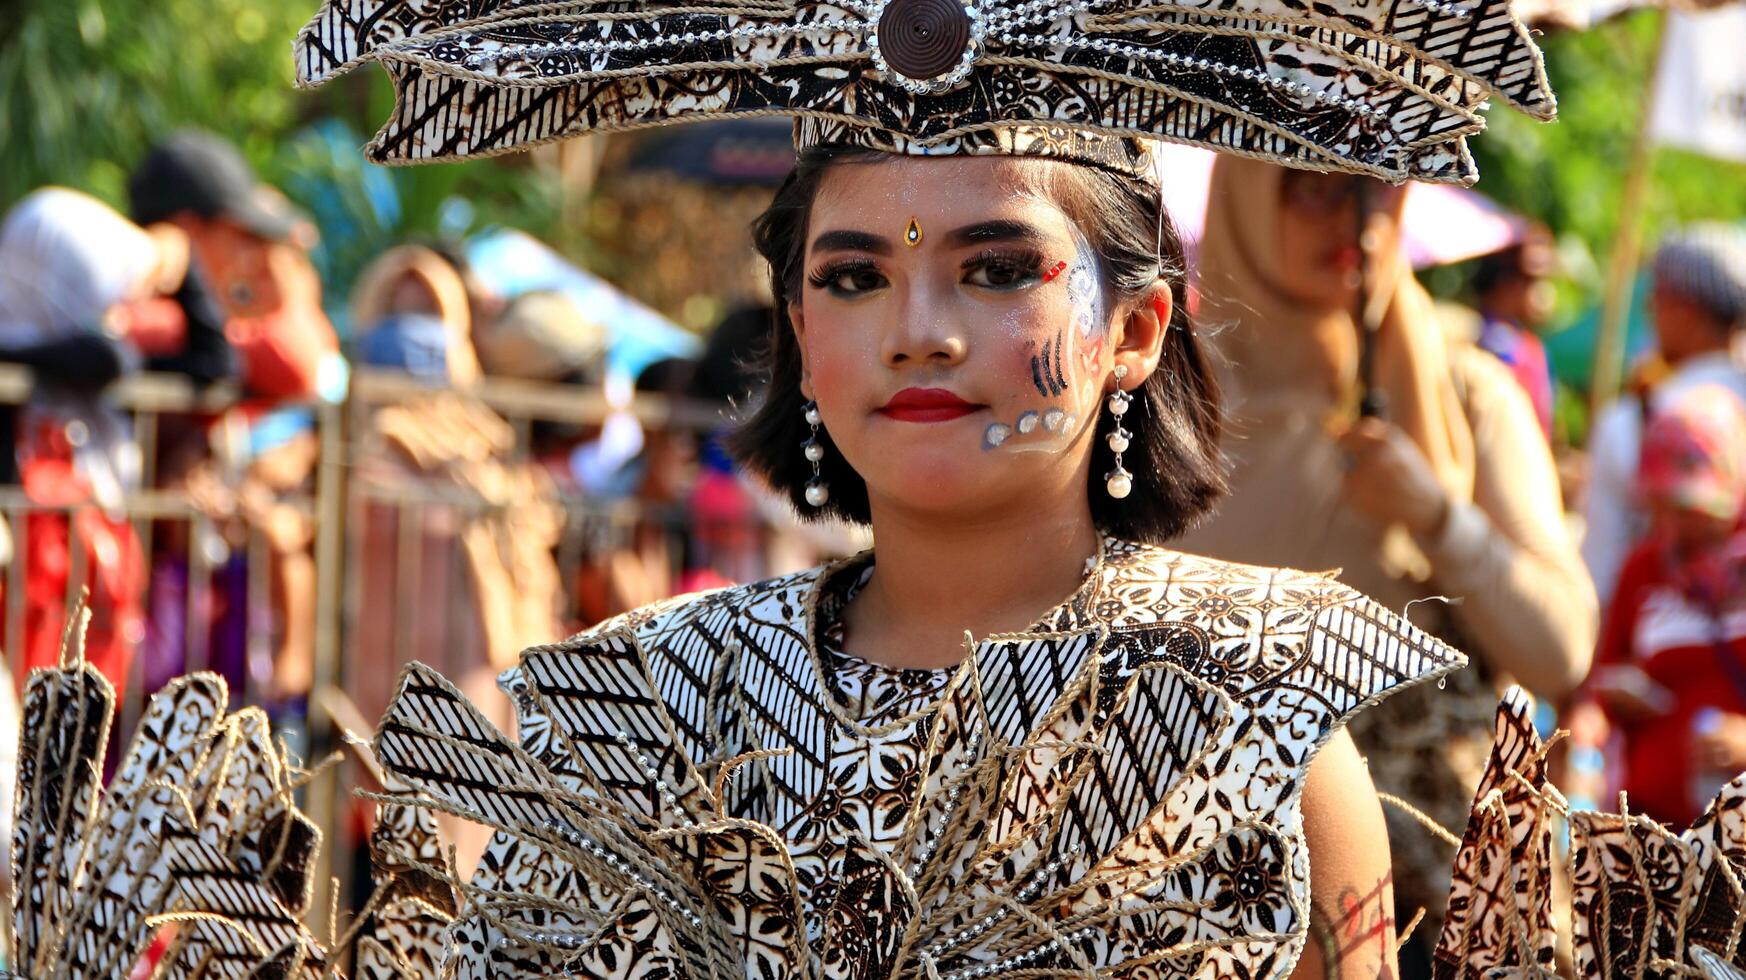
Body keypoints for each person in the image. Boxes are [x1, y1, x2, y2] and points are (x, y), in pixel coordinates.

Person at [1177, 160, 1596, 967]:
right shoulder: (1166, 418)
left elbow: (1561, 648)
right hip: (1222, 912)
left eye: (1380, 182)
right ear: (1245, 199)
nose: (1356, 221)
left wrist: (1439, 519)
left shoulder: (1466, 393)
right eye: (1311, 187)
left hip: (1449, 910)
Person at [1578, 385, 1746, 828]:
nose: (1673, 525)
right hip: (1655, 834)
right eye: (1662, 505)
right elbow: (1601, 674)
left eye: (1689, 508)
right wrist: (1612, 701)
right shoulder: (1645, 566)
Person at [1585, 225, 1746, 607]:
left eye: (1654, 298)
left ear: (1683, 308)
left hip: (1656, 645)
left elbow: (1599, 568)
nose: (1649, 312)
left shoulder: (1630, 422)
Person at [1473, 228, 1559, 440]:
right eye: (1532, 280)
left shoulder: (1525, 344)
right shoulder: (1492, 344)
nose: (1543, 292)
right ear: (1506, 282)